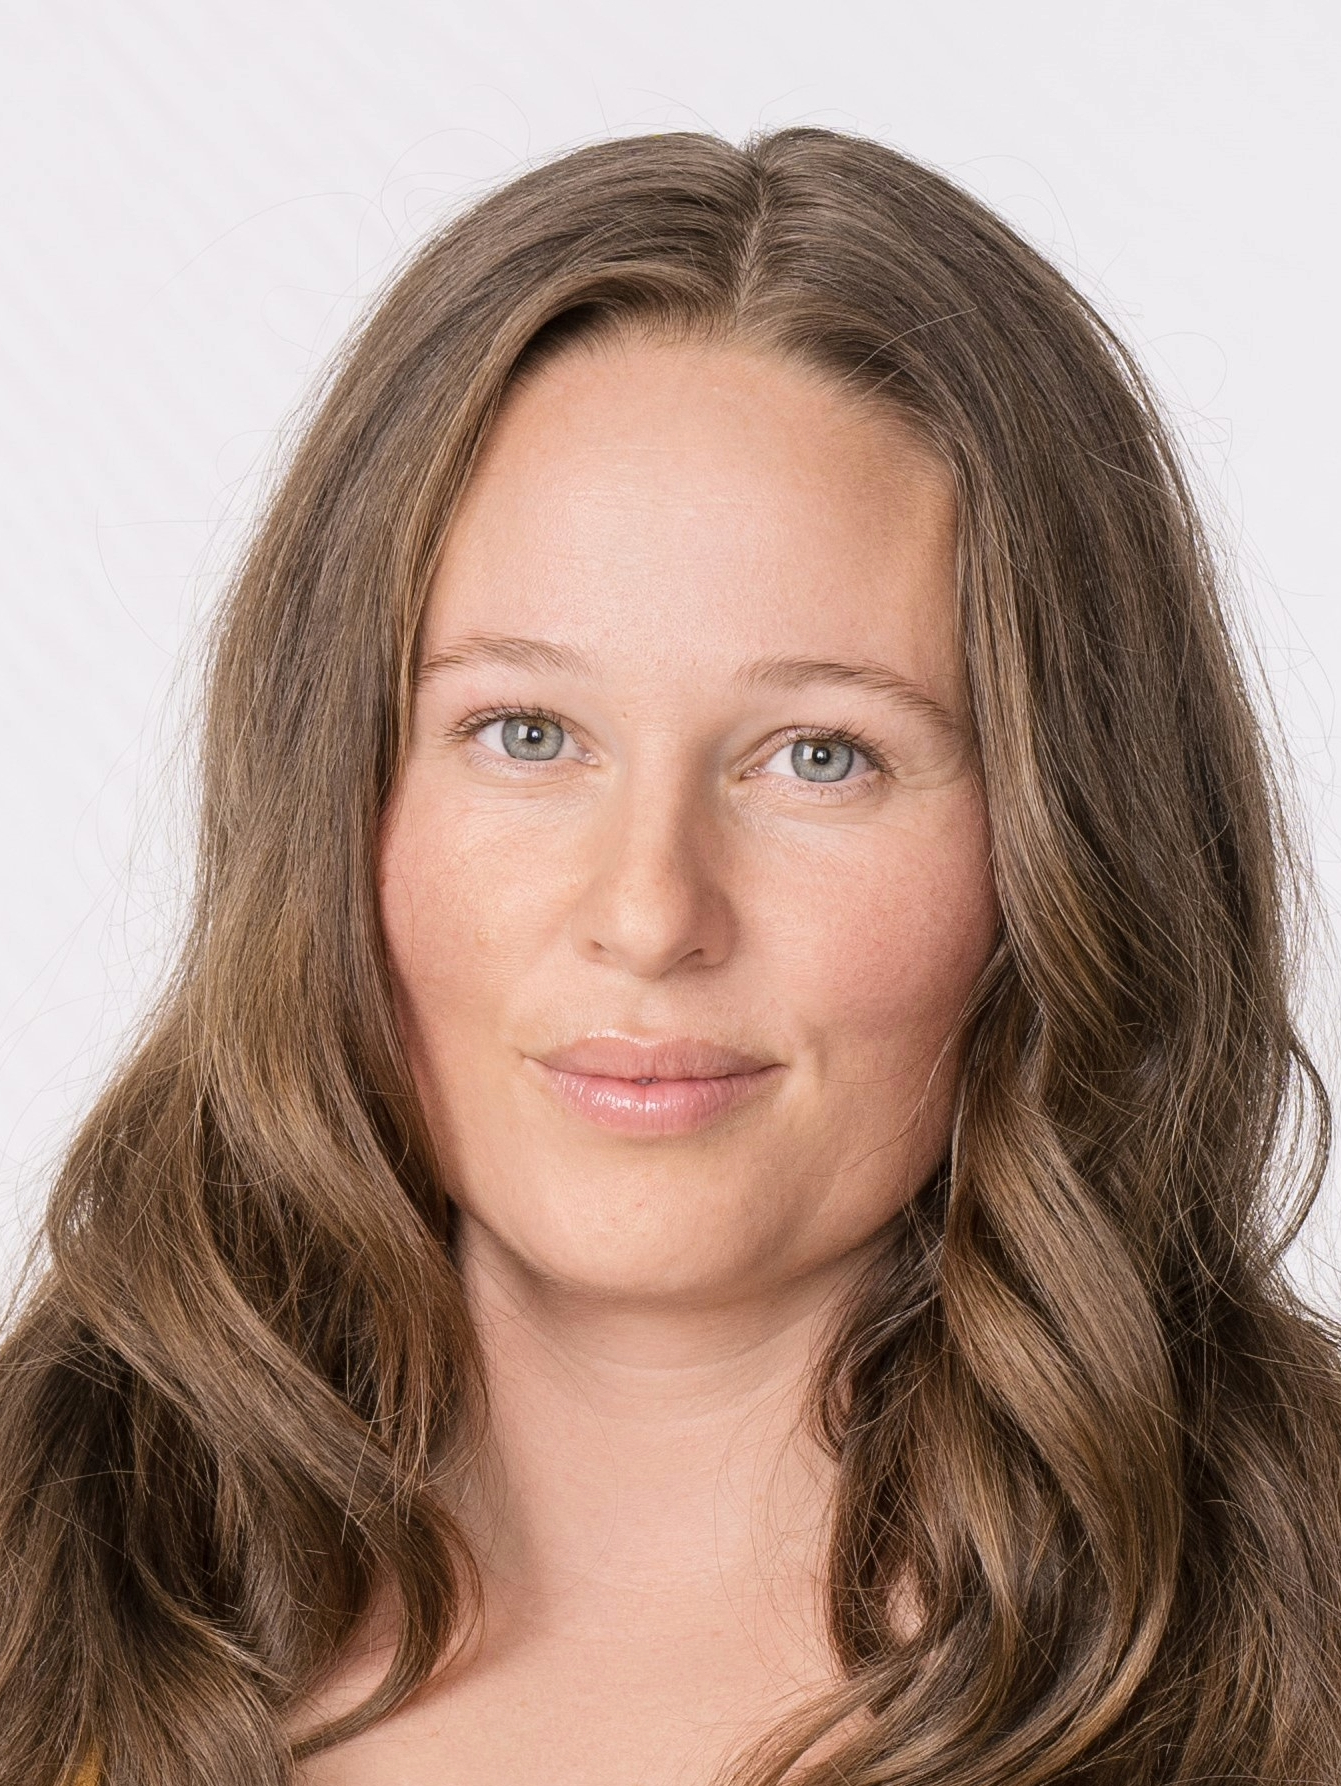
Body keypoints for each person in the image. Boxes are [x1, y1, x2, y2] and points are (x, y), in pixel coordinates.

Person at [3, 125, 1340, 1786]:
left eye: (819, 755)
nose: (648, 912)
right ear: (333, 790)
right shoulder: (33, 1598)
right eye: (524, 730)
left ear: (1062, 838)